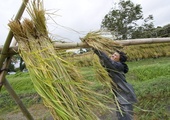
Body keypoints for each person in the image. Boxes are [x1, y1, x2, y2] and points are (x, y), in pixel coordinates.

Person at [93, 49, 137, 120]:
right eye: (113, 54)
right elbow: (105, 63)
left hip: (125, 96)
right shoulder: (113, 67)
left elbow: (108, 62)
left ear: (119, 59)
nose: (113, 55)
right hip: (120, 97)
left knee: (125, 118)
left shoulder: (118, 66)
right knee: (121, 117)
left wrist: (98, 51)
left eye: (115, 55)